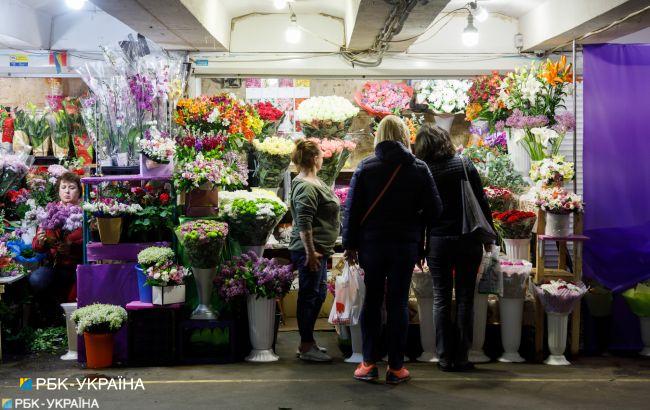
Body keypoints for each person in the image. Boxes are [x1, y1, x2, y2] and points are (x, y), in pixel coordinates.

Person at [343, 115, 442, 384]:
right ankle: (396, 367)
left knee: (372, 301)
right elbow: (435, 211)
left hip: (371, 246)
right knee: (397, 302)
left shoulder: (365, 167)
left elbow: (351, 211)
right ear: (404, 136)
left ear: (379, 136)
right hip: (405, 246)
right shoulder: (419, 168)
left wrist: (349, 244)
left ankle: (368, 363)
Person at [413, 124, 494, 372]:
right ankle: (462, 356)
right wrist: (489, 236)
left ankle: (444, 356)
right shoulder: (464, 165)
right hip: (468, 240)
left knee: (441, 299)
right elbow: (481, 202)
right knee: (466, 299)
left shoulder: (423, 171)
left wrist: (419, 248)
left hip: (438, 242)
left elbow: (420, 215)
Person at [289, 139, 340, 362]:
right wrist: (310, 253)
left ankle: (307, 341)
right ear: (312, 158)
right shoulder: (307, 186)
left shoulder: (313, 180)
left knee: (317, 294)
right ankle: (306, 345)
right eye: (320, 154)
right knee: (309, 296)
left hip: (318, 249)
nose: (322, 157)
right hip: (310, 251)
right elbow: (304, 221)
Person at [30, 172, 83, 310]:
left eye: (72, 187)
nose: (67, 191)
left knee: (76, 294)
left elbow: (89, 243)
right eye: (63, 187)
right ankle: (50, 315)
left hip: (77, 265)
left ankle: (69, 318)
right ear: (58, 191)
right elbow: (36, 245)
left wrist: (71, 247)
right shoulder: (50, 212)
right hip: (55, 265)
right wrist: (41, 242)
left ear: (79, 191)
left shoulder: (84, 213)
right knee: (37, 279)